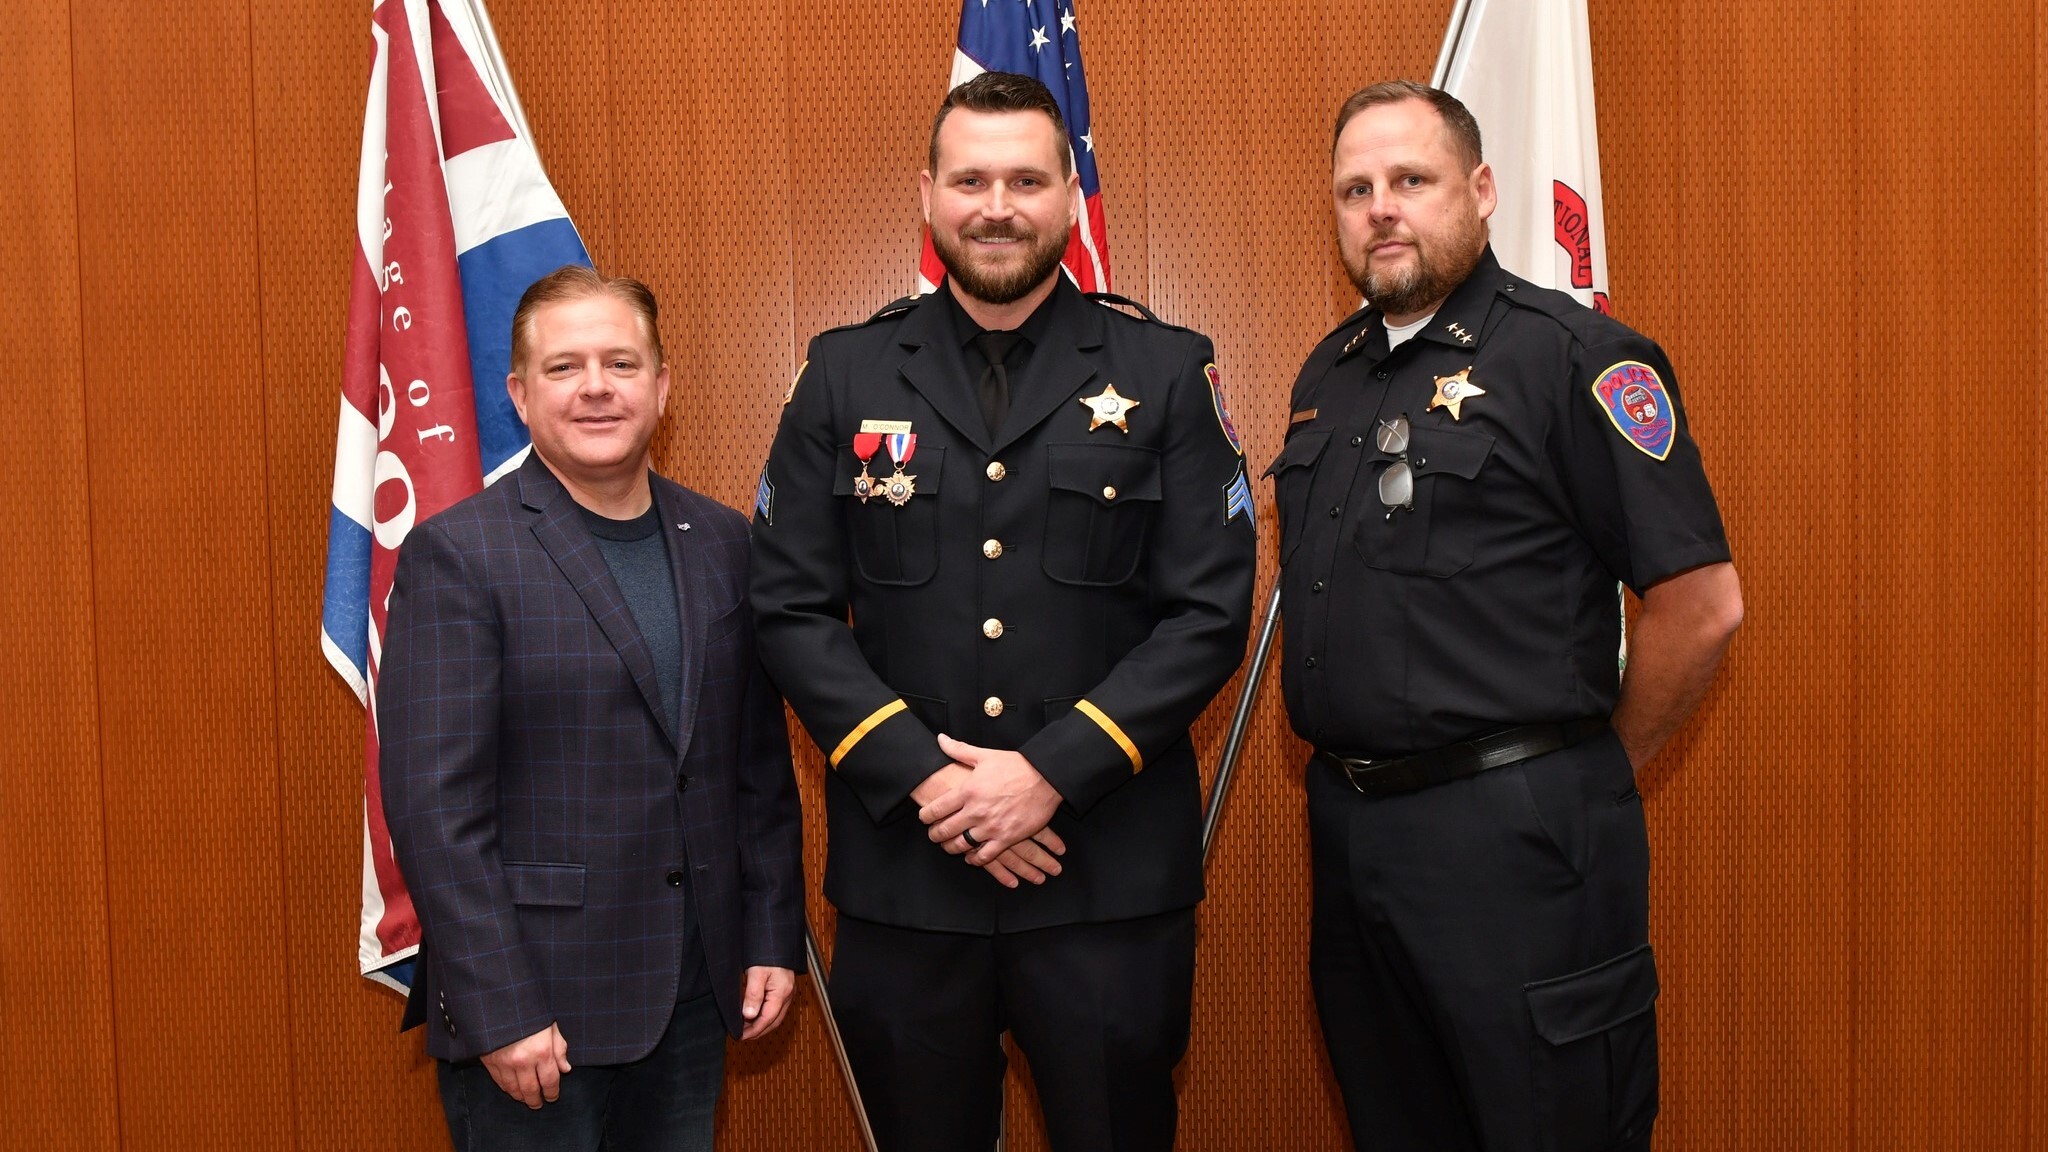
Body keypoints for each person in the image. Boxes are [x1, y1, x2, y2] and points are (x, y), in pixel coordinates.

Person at [749, 71, 1254, 1152]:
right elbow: (787, 607)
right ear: (926, 197)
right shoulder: (842, 375)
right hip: (907, 880)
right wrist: (932, 783)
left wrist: (1047, 775)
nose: (996, 205)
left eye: (1026, 179)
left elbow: (1209, 612)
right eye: (970, 178)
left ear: (1071, 197)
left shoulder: (1166, 371)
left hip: (1103, 876)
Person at [1268, 81, 1743, 1152]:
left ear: (1479, 192)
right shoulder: (1327, 378)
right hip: (1352, 836)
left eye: (1410, 181)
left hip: (1517, 837)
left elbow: (1701, 604)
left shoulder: (1573, 357)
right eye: (1355, 188)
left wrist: (1591, 768)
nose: (1380, 207)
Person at [379, 265, 806, 1152]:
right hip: (538, 1013)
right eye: (565, 367)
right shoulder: (459, 556)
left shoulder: (725, 542)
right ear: (520, 395)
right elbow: (435, 810)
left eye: (621, 362)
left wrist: (770, 935)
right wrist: (500, 1009)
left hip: (692, 994)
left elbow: (755, 768)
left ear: (660, 387)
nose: (597, 388)